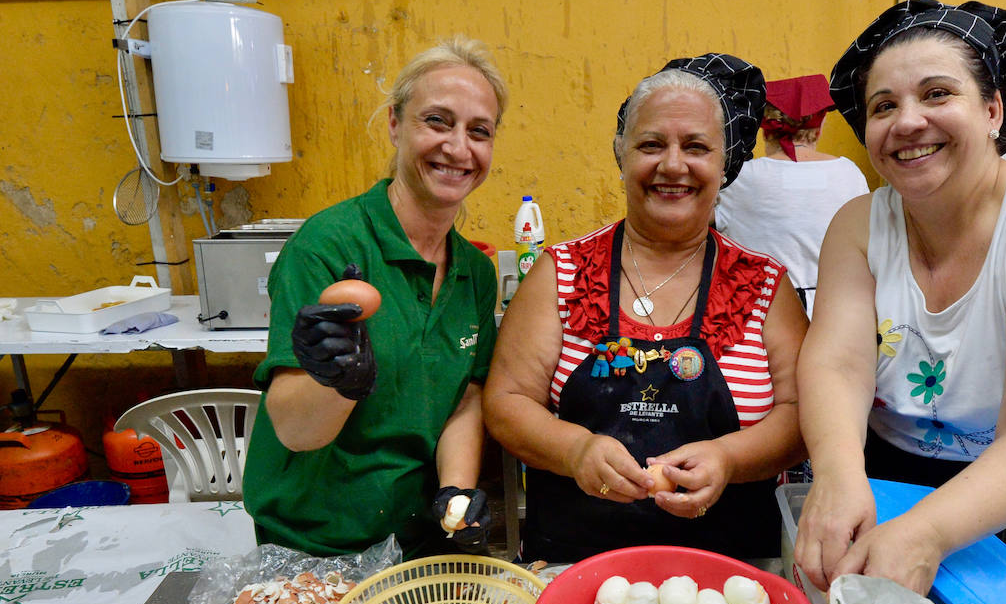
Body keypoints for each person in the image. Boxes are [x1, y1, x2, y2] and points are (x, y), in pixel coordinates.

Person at [793, 0, 1006, 594]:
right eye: (883, 106)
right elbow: (838, 363)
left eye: (937, 94)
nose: (907, 122)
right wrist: (838, 474)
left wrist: (928, 533)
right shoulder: (859, 225)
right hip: (886, 476)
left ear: (993, 109)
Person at [483, 54, 808, 564]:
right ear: (621, 155)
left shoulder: (765, 286)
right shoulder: (561, 272)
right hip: (574, 565)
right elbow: (507, 401)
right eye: (651, 145)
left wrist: (728, 458)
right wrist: (574, 449)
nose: (673, 165)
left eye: (696, 147)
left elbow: (802, 414)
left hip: (732, 578)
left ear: (724, 164)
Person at [244, 37, 506, 558]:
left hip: (417, 536)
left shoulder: (475, 272)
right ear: (394, 124)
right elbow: (295, 431)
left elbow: (466, 397)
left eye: (479, 131)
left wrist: (455, 490)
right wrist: (338, 382)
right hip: (317, 542)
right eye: (437, 121)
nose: (459, 148)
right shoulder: (327, 247)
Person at [713, 74, 869, 314]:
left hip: (757, 312)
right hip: (834, 312)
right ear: (820, 126)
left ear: (763, 127)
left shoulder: (742, 178)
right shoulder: (849, 174)